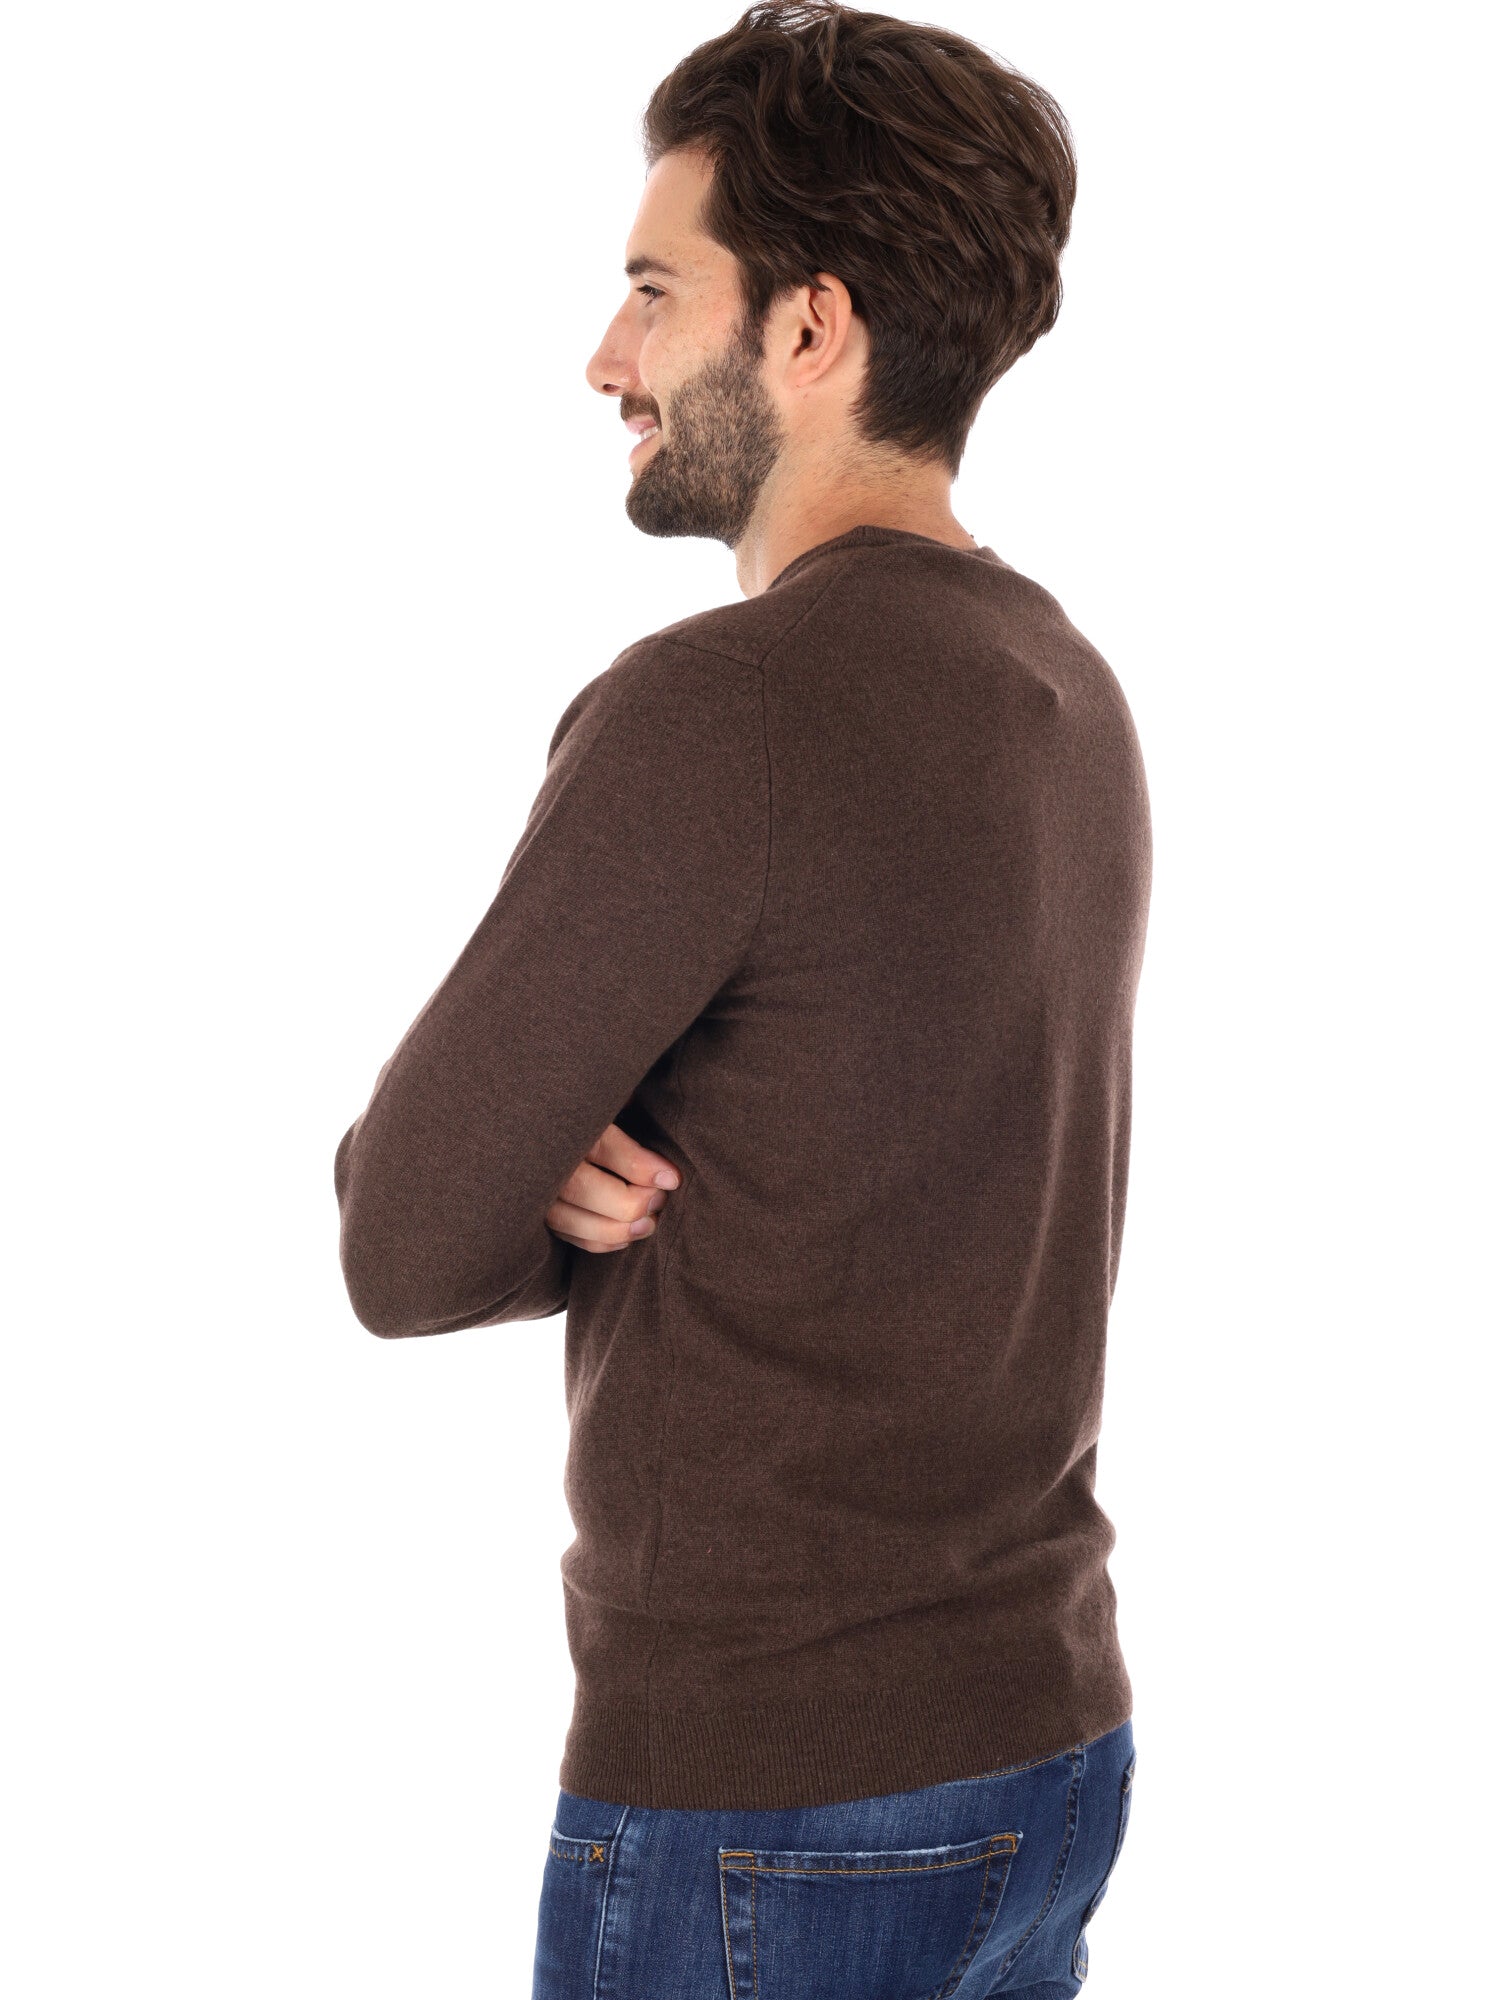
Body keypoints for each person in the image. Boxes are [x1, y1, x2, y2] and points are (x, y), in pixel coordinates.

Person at [332, 3, 1152, 1992]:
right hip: (1042, 1742)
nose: (602, 357)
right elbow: (866, 1141)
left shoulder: (722, 709)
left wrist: (536, 1173)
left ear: (809, 326)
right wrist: (577, 1148)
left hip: (774, 1801)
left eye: (650, 290)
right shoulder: (1064, 686)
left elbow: (400, 1237)